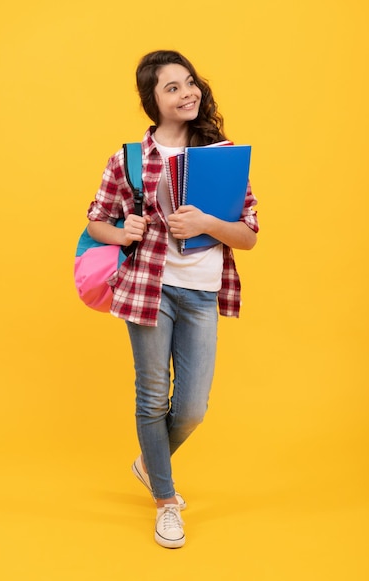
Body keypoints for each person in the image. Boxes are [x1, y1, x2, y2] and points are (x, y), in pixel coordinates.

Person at [86, 50, 259, 549]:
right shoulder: (131, 160)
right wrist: (122, 231)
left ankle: (148, 463)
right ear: (152, 101)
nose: (187, 93)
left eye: (190, 83)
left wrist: (206, 223)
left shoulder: (223, 155)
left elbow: (248, 235)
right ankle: (165, 500)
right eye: (172, 87)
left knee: (192, 407)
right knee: (151, 392)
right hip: (148, 289)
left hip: (203, 293)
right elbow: (96, 218)